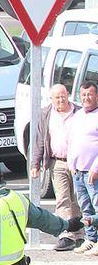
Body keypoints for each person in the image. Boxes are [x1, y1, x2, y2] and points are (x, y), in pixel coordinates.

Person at [27, 83, 79, 251]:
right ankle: (66, 235)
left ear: (68, 94)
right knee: (63, 200)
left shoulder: (78, 112)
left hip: (78, 163)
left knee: (78, 199)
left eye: (63, 96)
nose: (60, 100)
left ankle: (79, 234)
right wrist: (35, 164)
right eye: (57, 97)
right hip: (57, 162)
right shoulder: (46, 114)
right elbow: (39, 141)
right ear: (51, 99)